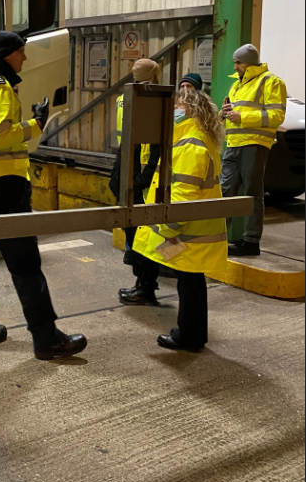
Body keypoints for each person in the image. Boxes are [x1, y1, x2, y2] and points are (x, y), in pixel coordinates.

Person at [0, 30, 88, 360]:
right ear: (8, 54)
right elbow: (0, 137)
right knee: (25, 264)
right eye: (21, 53)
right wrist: (35, 124)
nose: (25, 58)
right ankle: (46, 338)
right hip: (4, 188)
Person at [125, 88, 228, 351]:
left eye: (178, 106)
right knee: (191, 282)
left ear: (191, 109)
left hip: (189, 230)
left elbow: (184, 192)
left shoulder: (189, 143)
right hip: (197, 228)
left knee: (190, 284)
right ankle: (193, 335)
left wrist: (168, 228)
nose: (173, 111)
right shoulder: (193, 138)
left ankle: (189, 337)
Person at [220, 44, 287, 257]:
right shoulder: (237, 85)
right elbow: (235, 114)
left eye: (238, 62)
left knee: (252, 193)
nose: (236, 66)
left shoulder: (271, 82)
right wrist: (224, 114)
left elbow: (276, 116)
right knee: (225, 192)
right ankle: (217, 238)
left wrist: (242, 117)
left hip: (254, 144)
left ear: (249, 62)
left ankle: (251, 241)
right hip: (233, 145)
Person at [110, 59, 162, 269]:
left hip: (126, 157)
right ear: (153, 75)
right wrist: (146, 174)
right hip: (141, 161)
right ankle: (138, 252)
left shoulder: (123, 98)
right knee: (139, 209)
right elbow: (156, 141)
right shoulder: (153, 99)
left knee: (128, 205)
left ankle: (133, 249)